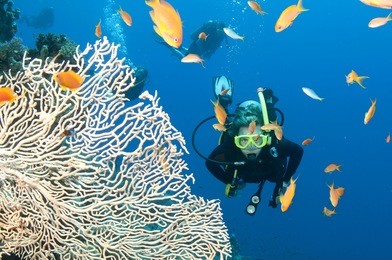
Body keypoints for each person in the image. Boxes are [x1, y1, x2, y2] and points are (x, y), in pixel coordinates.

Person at [203, 78, 303, 215]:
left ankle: (268, 104)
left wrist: (286, 178)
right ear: (236, 141)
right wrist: (227, 180)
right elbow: (210, 163)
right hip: (241, 169)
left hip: (270, 168)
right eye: (243, 141)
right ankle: (222, 103)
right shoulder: (231, 148)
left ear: (265, 139)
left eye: (258, 140)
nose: (251, 146)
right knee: (228, 126)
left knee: (271, 127)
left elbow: (297, 151)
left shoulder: (273, 146)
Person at [156, 20, 228, 60]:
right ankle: (169, 46)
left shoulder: (221, 37)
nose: (222, 34)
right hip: (197, 45)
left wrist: (209, 53)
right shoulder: (211, 30)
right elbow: (199, 42)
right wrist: (203, 52)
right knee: (184, 59)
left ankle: (180, 47)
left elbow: (214, 47)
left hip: (201, 47)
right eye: (221, 32)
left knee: (191, 55)